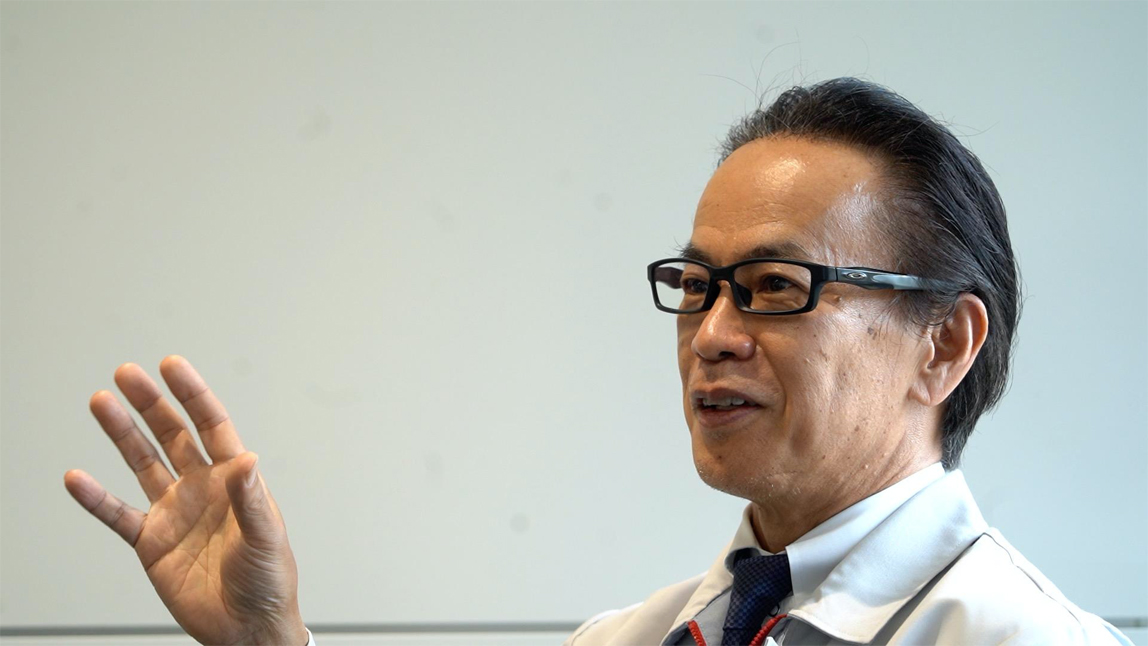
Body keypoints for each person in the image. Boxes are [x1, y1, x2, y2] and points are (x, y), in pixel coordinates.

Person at [62, 77, 1131, 646]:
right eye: (696, 284)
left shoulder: (1023, 639)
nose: (711, 332)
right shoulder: (625, 638)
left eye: (772, 286)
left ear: (942, 345)